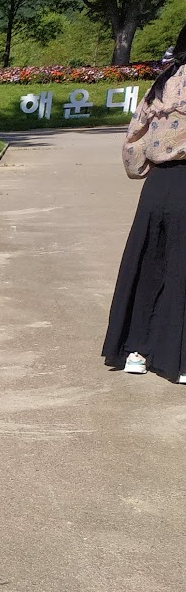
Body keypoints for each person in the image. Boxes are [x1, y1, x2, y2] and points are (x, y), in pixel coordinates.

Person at [102, 23, 186, 383]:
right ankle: (178, 360)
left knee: (148, 261)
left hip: (158, 186)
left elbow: (133, 142)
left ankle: (136, 350)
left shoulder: (163, 82)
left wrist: (147, 165)